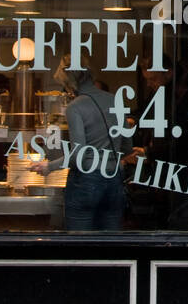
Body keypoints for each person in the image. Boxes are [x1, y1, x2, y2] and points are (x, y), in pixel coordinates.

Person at [35, 57, 141, 231]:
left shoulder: (75, 107)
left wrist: (48, 166)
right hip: (114, 178)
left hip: (87, 180)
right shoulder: (115, 100)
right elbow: (127, 148)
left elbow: (78, 154)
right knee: (110, 243)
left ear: (69, 81)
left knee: (81, 243)